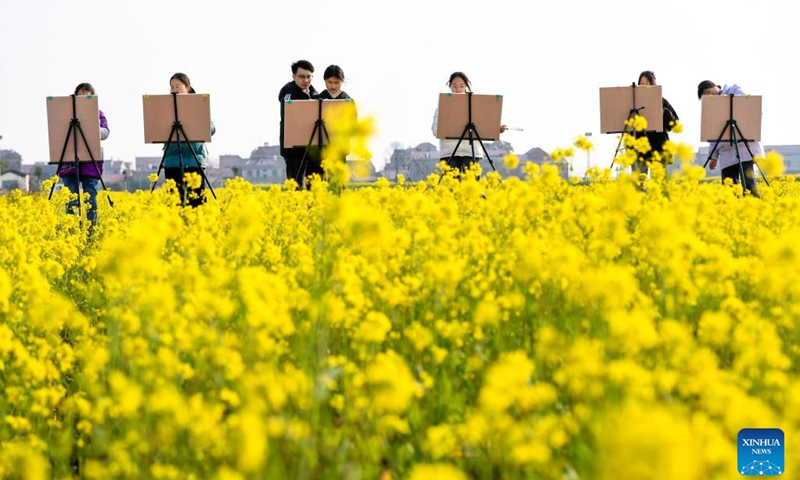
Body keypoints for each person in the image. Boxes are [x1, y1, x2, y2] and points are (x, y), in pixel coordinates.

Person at [431, 71, 507, 177]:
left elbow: (483, 124)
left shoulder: (475, 106)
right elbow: (435, 131)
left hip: (471, 151)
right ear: (450, 87)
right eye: (454, 86)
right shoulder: (441, 108)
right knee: (453, 186)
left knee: (472, 185)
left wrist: (495, 128)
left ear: (466, 87)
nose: (458, 89)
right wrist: (446, 126)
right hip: (450, 152)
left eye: (461, 86)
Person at [697, 80, 762, 198]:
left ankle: (755, 210)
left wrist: (726, 102)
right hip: (726, 153)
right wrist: (714, 156)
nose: (710, 96)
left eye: (708, 91)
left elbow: (748, 106)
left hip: (743, 148)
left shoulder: (733, 90)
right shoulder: (712, 108)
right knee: (729, 188)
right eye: (706, 96)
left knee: (748, 184)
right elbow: (714, 133)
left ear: (714, 85)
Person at [59, 82, 109, 226]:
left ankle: (90, 231)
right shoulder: (66, 114)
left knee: (90, 199)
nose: (83, 100)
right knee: (71, 200)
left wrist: (91, 125)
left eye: (86, 97)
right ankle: (72, 231)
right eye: (79, 97)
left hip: (91, 163)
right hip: (69, 162)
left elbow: (105, 133)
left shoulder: (98, 114)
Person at [163, 72, 215, 207]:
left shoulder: (198, 105)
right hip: (172, 161)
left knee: (196, 203)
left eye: (178, 86)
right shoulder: (164, 106)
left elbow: (212, 129)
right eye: (172, 87)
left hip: (194, 160)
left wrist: (198, 123)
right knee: (174, 205)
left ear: (188, 88)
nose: (174, 90)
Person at [278, 59, 320, 189]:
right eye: (302, 77)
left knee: (315, 185)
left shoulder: (314, 93)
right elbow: (289, 108)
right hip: (293, 147)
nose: (306, 80)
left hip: (313, 146)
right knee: (296, 186)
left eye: (309, 77)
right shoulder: (288, 92)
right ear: (293, 76)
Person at [633, 71, 679, 177]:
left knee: (659, 185)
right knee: (638, 186)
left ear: (654, 84)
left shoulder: (662, 101)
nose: (645, 86)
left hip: (658, 147)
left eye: (648, 83)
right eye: (642, 83)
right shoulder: (632, 102)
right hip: (639, 148)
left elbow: (675, 123)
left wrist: (665, 112)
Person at [318, 64, 356, 164]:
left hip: (341, 147)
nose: (333, 86)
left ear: (342, 81)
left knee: (338, 177)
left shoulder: (348, 101)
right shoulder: (318, 99)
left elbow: (353, 126)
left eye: (337, 82)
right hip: (321, 147)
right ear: (325, 81)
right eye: (330, 82)